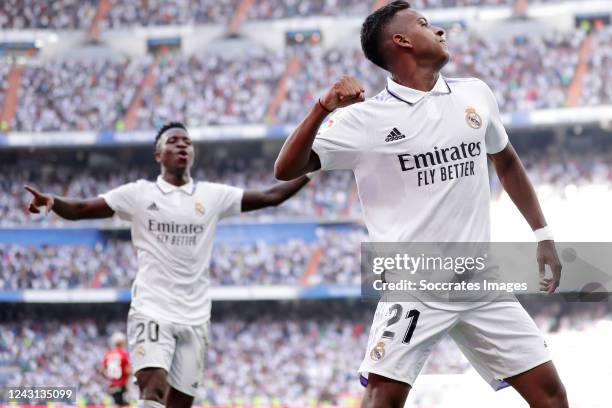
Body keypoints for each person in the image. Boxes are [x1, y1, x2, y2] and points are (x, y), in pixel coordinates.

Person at [274, 2, 567, 407]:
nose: (440, 31)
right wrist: (321, 108)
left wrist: (543, 234)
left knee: (551, 394)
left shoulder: (474, 93)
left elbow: (506, 160)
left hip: (479, 279)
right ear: (402, 41)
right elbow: (285, 168)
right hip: (414, 286)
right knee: (383, 398)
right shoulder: (366, 119)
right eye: (425, 24)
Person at [25, 121, 312, 408]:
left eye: (187, 142)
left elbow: (271, 197)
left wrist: (313, 168)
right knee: (153, 390)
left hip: (196, 316)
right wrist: (53, 201)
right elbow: (82, 209)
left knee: (179, 403)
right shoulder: (139, 194)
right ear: (158, 155)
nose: (182, 145)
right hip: (152, 309)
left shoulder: (212, 195)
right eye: (173, 141)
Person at [102, 332, 131, 407]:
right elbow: (128, 370)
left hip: (112, 385)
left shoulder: (108, 354)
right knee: (123, 404)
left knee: (116, 403)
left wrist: (108, 377)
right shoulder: (124, 354)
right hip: (122, 384)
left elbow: (101, 370)